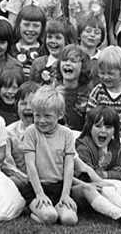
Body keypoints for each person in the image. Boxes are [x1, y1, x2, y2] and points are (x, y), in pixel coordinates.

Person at [23, 87, 79, 226]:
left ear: (60, 115)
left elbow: (69, 165)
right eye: (37, 115)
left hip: (59, 187)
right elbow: (30, 165)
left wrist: (65, 194)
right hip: (37, 187)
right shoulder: (31, 132)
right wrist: (40, 193)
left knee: (69, 220)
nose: (41, 121)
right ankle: (35, 212)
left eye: (47, 116)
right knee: (50, 217)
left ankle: (57, 208)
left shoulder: (66, 134)